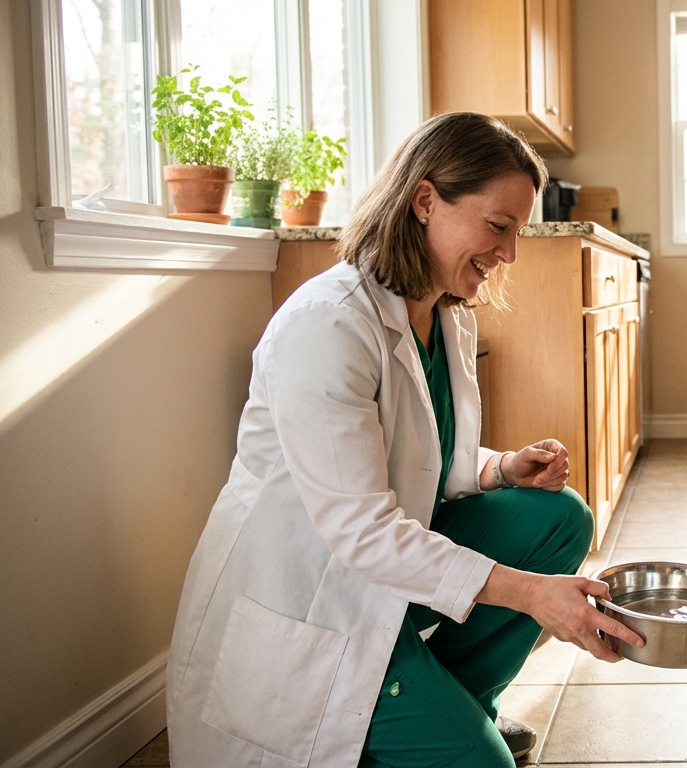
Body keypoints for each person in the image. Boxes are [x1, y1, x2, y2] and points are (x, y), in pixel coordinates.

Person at [165, 112, 644, 767]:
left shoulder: (443, 315)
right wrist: (534, 594)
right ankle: (424, 724)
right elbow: (362, 529)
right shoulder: (329, 326)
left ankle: (456, 701)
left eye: (517, 232)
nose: (509, 254)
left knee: (558, 520)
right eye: (498, 226)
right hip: (317, 595)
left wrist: (502, 468)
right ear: (425, 201)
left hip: (380, 568)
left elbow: (413, 456)